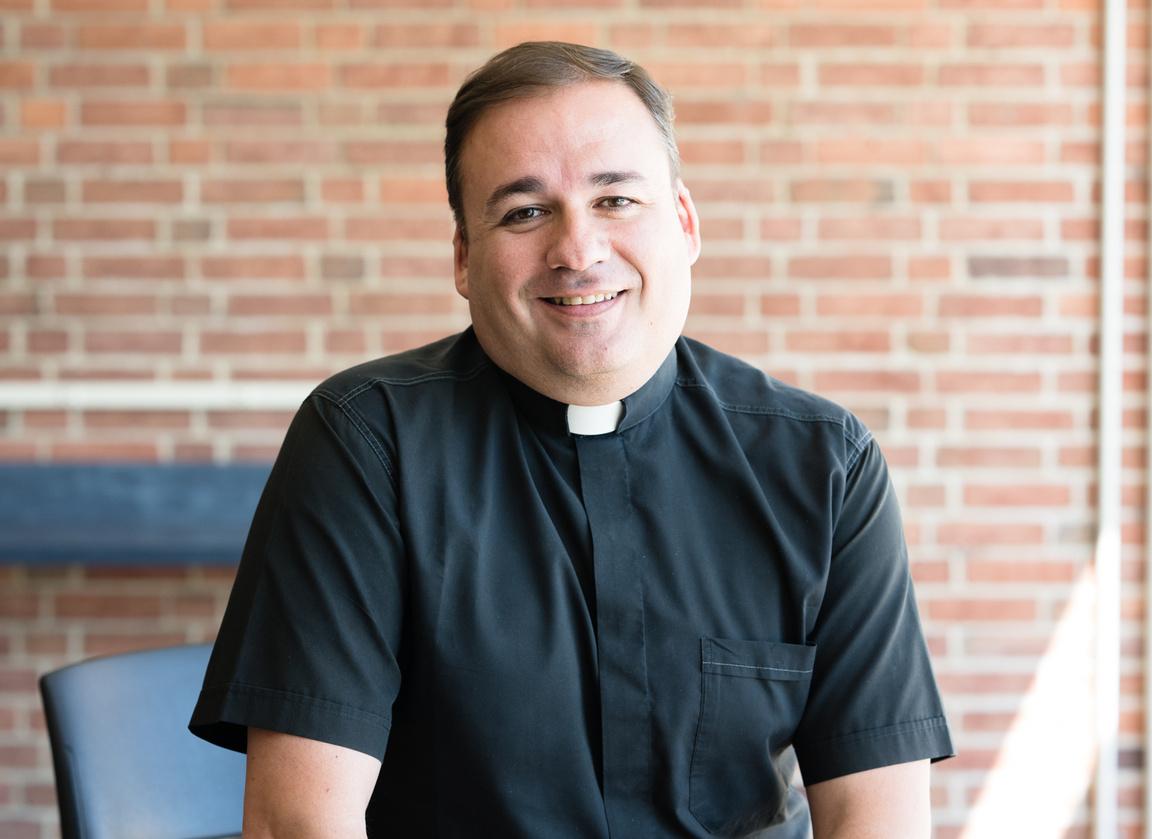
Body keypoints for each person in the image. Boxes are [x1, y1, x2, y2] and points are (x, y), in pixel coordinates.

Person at [190, 41, 953, 838]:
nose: (578, 252)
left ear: (685, 223)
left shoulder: (825, 466)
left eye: (615, 200)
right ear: (463, 256)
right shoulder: (366, 445)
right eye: (525, 212)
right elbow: (299, 820)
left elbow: (877, 818)